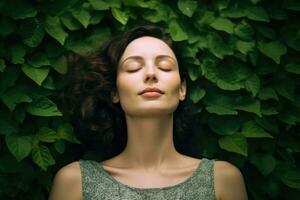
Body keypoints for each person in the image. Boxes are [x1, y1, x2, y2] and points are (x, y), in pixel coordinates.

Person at [49, 25, 248, 200]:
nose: (151, 74)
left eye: (165, 66)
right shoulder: (75, 183)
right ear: (114, 92)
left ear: (182, 89)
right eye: (134, 68)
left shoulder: (223, 180)